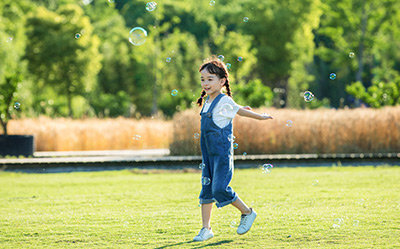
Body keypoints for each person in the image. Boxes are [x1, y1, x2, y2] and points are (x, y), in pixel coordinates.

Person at [193, 56, 274, 242]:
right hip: (208, 156)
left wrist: (260, 117)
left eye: (210, 79)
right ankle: (206, 229)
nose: (205, 83)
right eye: (203, 79)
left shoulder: (224, 100)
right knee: (206, 191)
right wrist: (237, 107)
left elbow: (239, 111)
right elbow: (234, 109)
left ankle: (247, 212)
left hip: (221, 156)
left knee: (220, 188)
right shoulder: (207, 102)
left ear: (222, 81)